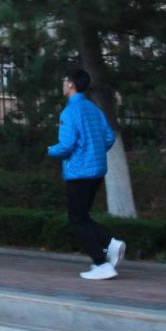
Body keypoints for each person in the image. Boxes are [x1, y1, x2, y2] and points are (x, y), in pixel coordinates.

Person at [47, 69, 125, 280]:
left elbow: (66, 145)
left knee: (77, 219)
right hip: (97, 171)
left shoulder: (69, 112)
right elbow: (108, 137)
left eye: (64, 80)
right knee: (82, 215)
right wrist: (94, 152)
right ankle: (110, 245)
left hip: (79, 172)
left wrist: (50, 150)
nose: (63, 84)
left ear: (71, 84)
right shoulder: (94, 108)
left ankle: (102, 263)